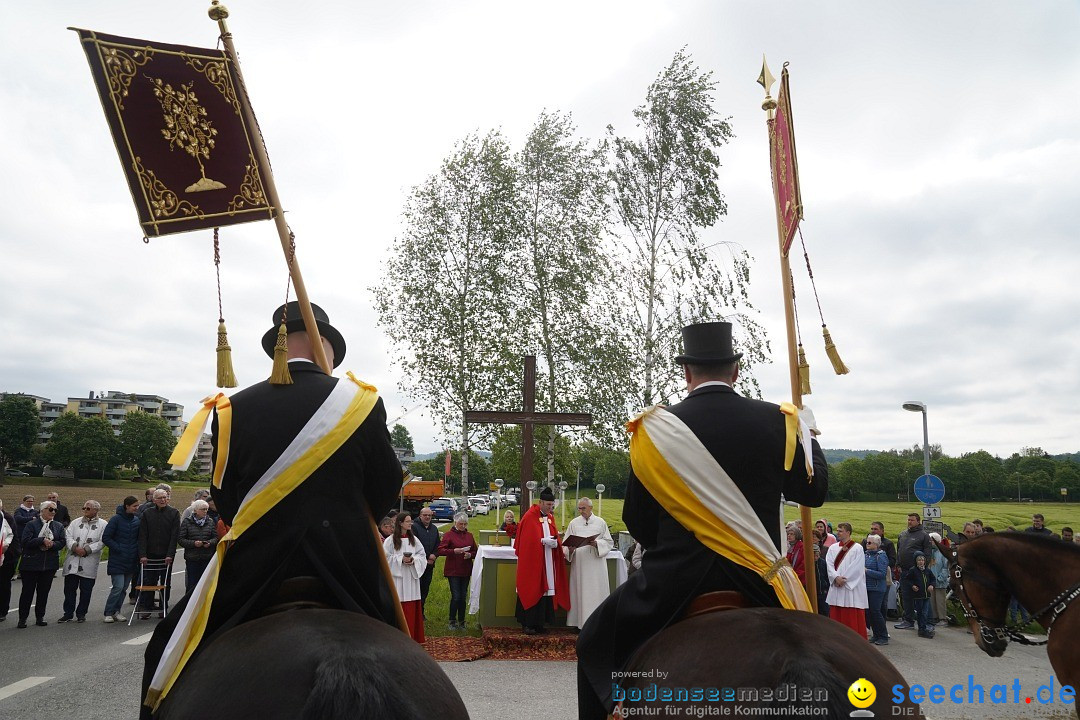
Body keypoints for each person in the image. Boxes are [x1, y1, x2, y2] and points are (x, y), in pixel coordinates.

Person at [142, 301, 402, 717]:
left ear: (278, 349)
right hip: (347, 563)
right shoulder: (361, 402)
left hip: (257, 567)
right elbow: (386, 488)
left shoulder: (231, 409)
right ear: (326, 348)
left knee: (166, 647)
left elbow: (225, 499)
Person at [577, 321, 828, 720]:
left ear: (686, 372)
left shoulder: (652, 430)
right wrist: (808, 434)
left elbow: (637, 521)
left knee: (593, 642)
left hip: (672, 582)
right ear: (736, 371)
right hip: (762, 578)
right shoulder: (780, 421)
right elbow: (814, 493)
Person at [515, 487, 569, 635]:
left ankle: (539, 623)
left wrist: (555, 542)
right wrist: (540, 542)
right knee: (532, 588)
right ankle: (527, 623)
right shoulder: (529, 516)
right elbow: (526, 541)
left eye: (552, 505)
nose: (550, 508)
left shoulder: (550, 518)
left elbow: (555, 536)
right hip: (533, 562)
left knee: (545, 592)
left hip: (547, 561)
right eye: (548, 505)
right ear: (540, 502)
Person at [563, 497, 614, 629]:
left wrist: (597, 543)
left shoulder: (600, 522)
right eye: (579, 508)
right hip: (580, 564)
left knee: (596, 592)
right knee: (578, 591)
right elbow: (565, 544)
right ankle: (578, 623)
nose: (580, 511)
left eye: (583, 508)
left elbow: (609, 542)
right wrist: (570, 549)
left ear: (591, 508)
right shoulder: (574, 523)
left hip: (596, 565)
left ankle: (597, 624)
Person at [17, 501, 65, 628]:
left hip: (49, 565)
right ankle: (22, 618)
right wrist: (41, 540)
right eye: (50, 509)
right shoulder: (31, 524)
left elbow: (62, 541)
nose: (53, 512)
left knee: (43, 592)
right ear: (42, 510)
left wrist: (52, 544)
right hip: (30, 564)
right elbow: (25, 542)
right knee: (27, 592)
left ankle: (40, 617)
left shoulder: (58, 526)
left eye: (55, 510)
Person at [136, 488, 180, 619]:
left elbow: (174, 536)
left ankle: (163, 607)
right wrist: (142, 554)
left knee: (166, 581)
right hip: (150, 553)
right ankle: (147, 607)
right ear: (154, 500)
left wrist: (170, 554)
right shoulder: (147, 513)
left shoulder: (174, 513)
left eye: (165, 497)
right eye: (160, 498)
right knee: (149, 581)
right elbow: (142, 535)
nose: (163, 500)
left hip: (166, 554)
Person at [59, 499, 106, 623]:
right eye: (84, 508)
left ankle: (81, 613)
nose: (85, 510)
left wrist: (87, 550)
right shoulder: (75, 522)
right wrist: (75, 547)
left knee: (86, 590)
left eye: (88, 508)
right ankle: (68, 613)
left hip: (89, 561)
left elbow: (102, 541)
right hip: (73, 561)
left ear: (96, 510)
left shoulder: (103, 524)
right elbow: (68, 536)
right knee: (69, 589)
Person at [384, 511, 427, 643]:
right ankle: (398, 637)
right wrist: (400, 560)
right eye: (408, 521)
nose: (410, 524)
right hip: (398, 578)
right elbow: (385, 558)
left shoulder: (414, 540)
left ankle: (413, 636)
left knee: (411, 605)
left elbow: (422, 555)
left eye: (411, 521)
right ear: (401, 523)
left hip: (411, 576)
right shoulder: (390, 540)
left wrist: (413, 560)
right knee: (400, 605)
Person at [825, 522, 867, 639]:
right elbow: (829, 565)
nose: (837, 532)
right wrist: (835, 577)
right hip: (837, 585)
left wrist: (844, 580)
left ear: (848, 532)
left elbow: (857, 568)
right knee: (836, 613)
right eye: (837, 530)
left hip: (850, 588)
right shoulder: (833, 548)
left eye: (840, 531)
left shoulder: (857, 548)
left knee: (851, 615)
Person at [102, 496, 140, 623]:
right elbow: (106, 537)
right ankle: (108, 612)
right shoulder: (116, 520)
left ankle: (117, 611)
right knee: (117, 586)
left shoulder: (136, 520)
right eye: (134, 506)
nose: (136, 508)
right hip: (117, 559)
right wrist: (118, 548)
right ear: (127, 506)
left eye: (137, 506)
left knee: (124, 588)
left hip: (131, 559)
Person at [437, 512, 476, 630]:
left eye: (465, 524)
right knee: (456, 596)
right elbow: (441, 550)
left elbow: (476, 551)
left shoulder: (469, 535)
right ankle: (452, 621)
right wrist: (454, 551)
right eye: (461, 524)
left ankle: (462, 621)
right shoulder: (449, 535)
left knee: (463, 596)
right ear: (455, 523)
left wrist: (470, 555)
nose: (463, 526)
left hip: (465, 569)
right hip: (453, 570)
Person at [895, 513, 933, 629]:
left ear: (918, 521)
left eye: (912, 520)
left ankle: (928, 622)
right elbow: (899, 550)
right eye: (908, 520)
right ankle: (908, 620)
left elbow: (927, 554)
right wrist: (898, 563)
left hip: (917, 572)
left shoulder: (923, 536)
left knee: (922, 596)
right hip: (905, 571)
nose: (909, 522)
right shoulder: (903, 534)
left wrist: (922, 568)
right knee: (906, 596)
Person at [177, 499, 218, 595]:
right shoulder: (187, 522)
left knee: (205, 583)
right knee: (192, 583)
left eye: (206, 509)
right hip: (192, 557)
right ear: (195, 510)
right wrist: (193, 543)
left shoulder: (210, 522)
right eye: (203, 509)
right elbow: (181, 539)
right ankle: (188, 604)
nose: (205, 511)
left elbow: (215, 537)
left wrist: (209, 543)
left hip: (206, 556)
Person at [412, 506, 440, 616]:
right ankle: (416, 613)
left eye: (429, 515)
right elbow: (416, 545)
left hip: (430, 565)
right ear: (420, 515)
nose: (427, 517)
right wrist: (428, 556)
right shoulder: (414, 527)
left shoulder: (434, 528)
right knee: (417, 589)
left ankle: (421, 612)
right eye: (425, 515)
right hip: (418, 564)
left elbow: (438, 544)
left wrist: (435, 555)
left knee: (425, 589)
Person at [864, 534, 890, 645]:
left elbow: (882, 574)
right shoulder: (866, 555)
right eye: (866, 542)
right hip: (867, 588)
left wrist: (867, 571)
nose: (867, 544)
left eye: (869, 543)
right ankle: (876, 635)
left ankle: (883, 635)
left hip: (877, 588)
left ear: (876, 545)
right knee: (869, 612)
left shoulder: (881, 556)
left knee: (875, 611)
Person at [904, 551, 935, 638]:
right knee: (920, 612)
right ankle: (921, 629)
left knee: (925, 612)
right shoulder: (913, 570)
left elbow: (933, 579)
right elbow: (908, 580)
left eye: (922, 560)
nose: (921, 562)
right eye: (919, 560)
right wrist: (912, 586)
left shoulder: (927, 570)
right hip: (918, 595)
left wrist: (932, 585)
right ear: (916, 561)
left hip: (926, 595)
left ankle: (923, 629)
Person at [0, 499, 21, 622]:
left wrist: (4, 547)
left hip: (7, 556)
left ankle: (2, 610)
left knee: (3, 584)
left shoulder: (6, 518)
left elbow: (9, 535)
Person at [927, 532, 951, 626]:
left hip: (940, 582)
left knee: (940, 601)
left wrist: (941, 578)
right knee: (932, 600)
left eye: (931, 541)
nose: (930, 543)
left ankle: (943, 618)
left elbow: (946, 567)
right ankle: (934, 617)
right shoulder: (930, 552)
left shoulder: (942, 553)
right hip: (931, 582)